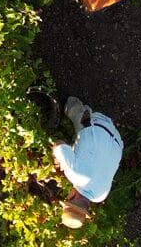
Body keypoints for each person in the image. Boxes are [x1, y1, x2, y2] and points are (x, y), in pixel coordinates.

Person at [52, 96, 123, 228]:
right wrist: (57, 159)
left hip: (118, 142)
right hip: (100, 124)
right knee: (72, 109)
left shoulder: (101, 196)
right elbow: (58, 144)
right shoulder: (74, 174)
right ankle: (76, 107)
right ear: (71, 197)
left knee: (81, 146)